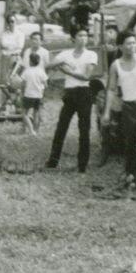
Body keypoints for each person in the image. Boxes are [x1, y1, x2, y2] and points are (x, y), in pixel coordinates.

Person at [45, 26, 98, 173]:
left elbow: (86, 76)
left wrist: (67, 70)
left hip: (84, 93)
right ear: (74, 38)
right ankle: (52, 162)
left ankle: (82, 165)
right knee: (61, 128)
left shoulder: (91, 54)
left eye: (86, 36)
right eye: (80, 35)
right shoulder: (65, 54)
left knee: (84, 129)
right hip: (69, 93)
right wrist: (59, 64)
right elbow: (48, 65)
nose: (83, 38)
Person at [102, 30, 136, 188]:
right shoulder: (115, 65)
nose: (132, 46)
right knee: (131, 142)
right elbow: (111, 90)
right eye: (128, 43)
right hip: (128, 106)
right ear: (120, 46)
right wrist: (106, 112)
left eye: (134, 43)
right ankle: (131, 175)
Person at [0, 14, 26, 114]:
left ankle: (10, 105)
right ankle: (12, 100)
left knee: (14, 82)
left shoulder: (20, 34)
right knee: (2, 83)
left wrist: (10, 47)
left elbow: (20, 47)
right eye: (9, 21)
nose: (11, 23)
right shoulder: (4, 34)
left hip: (15, 58)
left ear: (16, 22)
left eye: (13, 21)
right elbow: (3, 45)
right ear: (7, 23)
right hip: (5, 58)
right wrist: (12, 46)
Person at [20, 53, 48, 136]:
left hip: (28, 95)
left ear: (30, 61)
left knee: (24, 114)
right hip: (38, 95)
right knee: (36, 113)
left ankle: (31, 130)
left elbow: (23, 84)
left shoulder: (27, 71)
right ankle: (35, 130)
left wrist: (22, 93)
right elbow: (46, 85)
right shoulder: (41, 71)